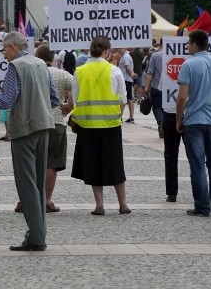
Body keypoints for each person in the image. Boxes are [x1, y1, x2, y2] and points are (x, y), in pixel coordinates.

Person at [0, 32, 58, 251]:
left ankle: (36, 237)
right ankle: (38, 234)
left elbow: (6, 101)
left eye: (4, 50)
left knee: (27, 183)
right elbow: (54, 98)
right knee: (38, 182)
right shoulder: (40, 63)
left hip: (24, 129)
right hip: (44, 126)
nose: (3, 55)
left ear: (12, 47)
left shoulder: (16, 66)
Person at [65, 36, 129, 215]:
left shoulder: (80, 71)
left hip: (87, 126)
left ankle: (99, 205)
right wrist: (118, 116)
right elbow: (123, 99)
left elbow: (75, 99)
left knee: (93, 164)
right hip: (111, 125)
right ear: (107, 51)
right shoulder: (115, 71)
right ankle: (123, 204)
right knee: (116, 164)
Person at [176, 29, 211, 217]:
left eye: (188, 43)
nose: (187, 46)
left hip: (194, 120)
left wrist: (179, 119)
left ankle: (202, 206)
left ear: (195, 45)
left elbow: (181, 98)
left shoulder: (188, 65)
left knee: (197, 164)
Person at [36, 44, 72, 213]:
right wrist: (69, 106)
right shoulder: (63, 74)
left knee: (32, 162)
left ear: (37, 55)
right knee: (52, 163)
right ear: (54, 59)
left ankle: (28, 199)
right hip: (56, 121)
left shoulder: (32, 72)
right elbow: (77, 91)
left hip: (35, 123)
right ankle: (46, 200)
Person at [143, 38, 165, 138]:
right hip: (170, 88)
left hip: (156, 86)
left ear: (160, 44)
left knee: (157, 107)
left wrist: (146, 87)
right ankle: (165, 125)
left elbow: (150, 72)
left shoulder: (155, 55)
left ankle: (160, 121)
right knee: (167, 108)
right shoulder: (174, 55)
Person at [118, 48, 136, 123]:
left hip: (125, 79)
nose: (118, 50)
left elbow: (127, 67)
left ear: (124, 48)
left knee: (123, 98)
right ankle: (131, 117)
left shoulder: (126, 57)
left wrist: (132, 74)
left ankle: (120, 117)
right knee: (129, 98)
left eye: (120, 49)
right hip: (127, 80)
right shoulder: (126, 56)